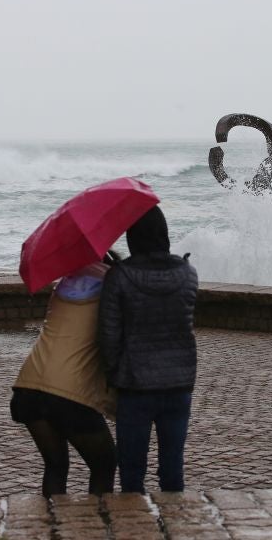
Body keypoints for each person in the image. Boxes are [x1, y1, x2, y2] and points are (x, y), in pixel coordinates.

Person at [98, 205, 198, 493]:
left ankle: (135, 528)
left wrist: (113, 374)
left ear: (132, 238)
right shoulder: (188, 274)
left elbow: (108, 336)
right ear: (164, 235)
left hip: (134, 385)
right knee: (172, 468)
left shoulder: (119, 277)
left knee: (131, 471)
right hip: (179, 384)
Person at [11, 255, 118, 497]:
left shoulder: (63, 286)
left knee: (56, 465)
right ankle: (97, 523)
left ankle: (53, 525)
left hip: (29, 386)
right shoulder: (110, 288)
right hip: (68, 394)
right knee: (105, 464)